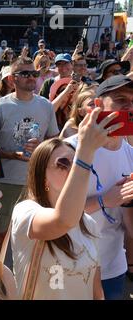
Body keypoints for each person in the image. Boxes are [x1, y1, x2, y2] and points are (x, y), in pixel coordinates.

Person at [12, 110, 118, 299]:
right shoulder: (26, 211)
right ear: (42, 175)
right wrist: (84, 154)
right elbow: (62, 221)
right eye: (63, 164)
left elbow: (96, 288)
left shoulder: (88, 223)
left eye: (75, 163)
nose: (73, 170)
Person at [65, 75, 133, 299]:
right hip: (69, 264)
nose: (129, 106)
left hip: (113, 267)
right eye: (121, 99)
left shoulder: (130, 154)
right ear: (97, 105)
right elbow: (55, 213)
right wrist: (105, 200)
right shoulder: (68, 151)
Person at [0, 57, 60, 254]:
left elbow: (54, 141)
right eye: (25, 74)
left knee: (35, 235)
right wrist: (12, 154)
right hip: (7, 181)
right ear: (12, 79)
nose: (31, 78)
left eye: (34, 74)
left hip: (38, 180)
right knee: (0, 234)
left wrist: (42, 147)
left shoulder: (46, 106)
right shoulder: (0, 107)